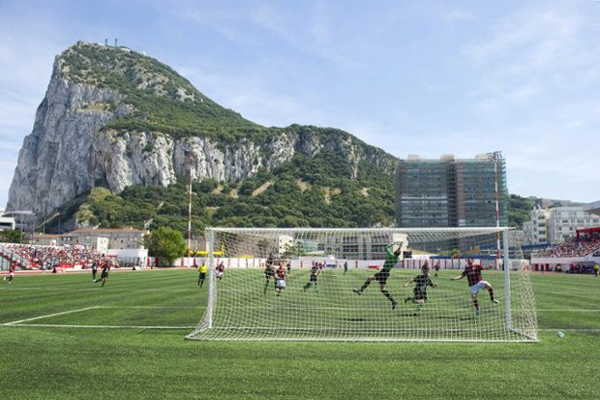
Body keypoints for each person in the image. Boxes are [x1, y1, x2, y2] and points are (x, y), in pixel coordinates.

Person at [353, 242, 402, 310]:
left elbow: (386, 247)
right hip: (385, 272)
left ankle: (361, 290)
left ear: (394, 252)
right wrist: (399, 247)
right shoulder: (397, 259)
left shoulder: (390, 255)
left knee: (370, 278)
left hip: (383, 272)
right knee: (382, 289)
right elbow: (397, 252)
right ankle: (393, 301)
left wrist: (393, 243)